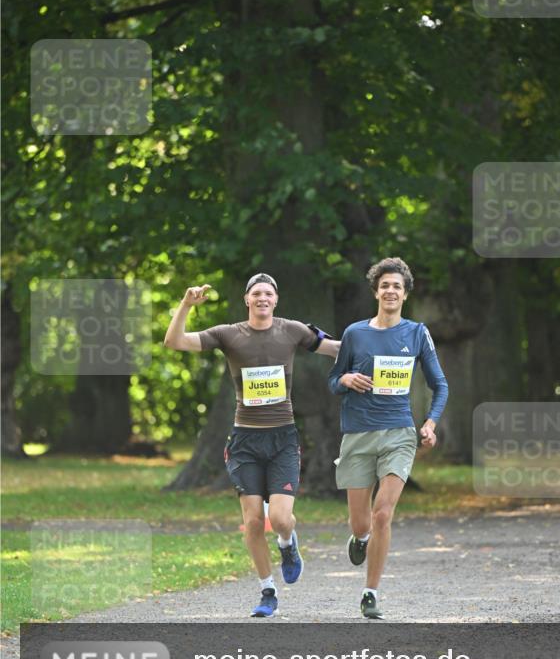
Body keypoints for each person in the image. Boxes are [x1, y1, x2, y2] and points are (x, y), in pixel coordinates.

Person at [164, 273, 339, 618]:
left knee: (281, 518)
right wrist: (186, 304)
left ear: (276, 300)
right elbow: (174, 342)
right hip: (244, 441)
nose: (262, 298)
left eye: (268, 293)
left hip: (283, 439)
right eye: (256, 293)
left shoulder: (293, 330)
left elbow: (335, 348)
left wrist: (381, 339)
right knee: (254, 521)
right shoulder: (228, 334)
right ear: (247, 299)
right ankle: (267, 590)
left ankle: (288, 544)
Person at [328, 257, 448, 619]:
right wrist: (346, 380)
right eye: (385, 285)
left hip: (399, 432)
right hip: (358, 433)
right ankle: (360, 539)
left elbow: (439, 384)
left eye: (397, 285)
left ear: (405, 293)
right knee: (361, 522)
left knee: (383, 515)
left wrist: (430, 423)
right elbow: (334, 381)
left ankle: (370, 592)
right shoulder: (354, 334)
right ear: (376, 291)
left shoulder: (416, 333)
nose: (391, 291)